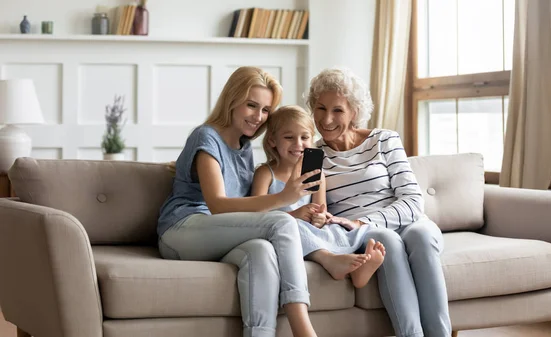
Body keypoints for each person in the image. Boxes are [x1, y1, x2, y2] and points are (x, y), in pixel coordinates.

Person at [157, 66, 321, 337]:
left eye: (266, 110)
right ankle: (303, 329)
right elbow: (218, 205)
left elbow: (243, 208)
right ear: (232, 100)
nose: (258, 117)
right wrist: (282, 198)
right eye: (251, 105)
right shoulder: (206, 136)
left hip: (218, 234)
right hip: (182, 230)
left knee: (261, 251)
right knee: (280, 224)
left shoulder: (244, 146)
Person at [306, 67, 452, 337]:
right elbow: (315, 210)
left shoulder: (384, 139)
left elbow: (411, 200)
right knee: (387, 240)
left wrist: (362, 220)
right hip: (364, 233)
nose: (326, 119)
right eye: (320, 108)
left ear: (354, 112)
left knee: (420, 235)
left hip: (405, 220)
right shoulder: (313, 156)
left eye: (337, 110)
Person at [251, 105, 385, 288]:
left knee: (340, 227)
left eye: (304, 137)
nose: (298, 144)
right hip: (281, 231)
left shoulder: (317, 175)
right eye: (289, 137)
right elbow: (254, 216)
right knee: (293, 227)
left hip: (310, 230)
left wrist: (319, 217)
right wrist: (294, 215)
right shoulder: (265, 173)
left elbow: (321, 211)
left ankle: (358, 273)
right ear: (273, 140)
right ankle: (329, 259)